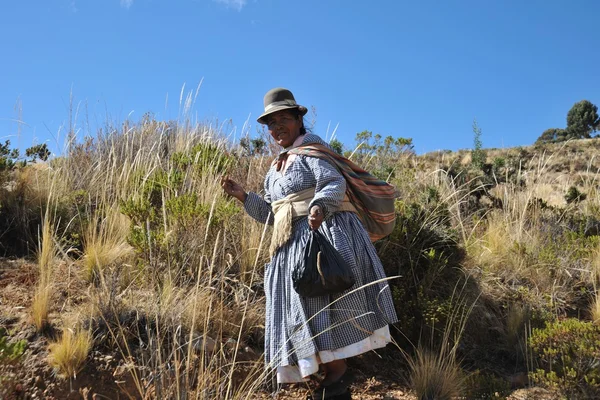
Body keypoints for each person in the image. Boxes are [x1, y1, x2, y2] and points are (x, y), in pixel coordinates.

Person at [221, 88, 398, 399]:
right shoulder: (275, 170)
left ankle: (336, 384)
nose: (277, 128)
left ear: (299, 119)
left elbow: (333, 182)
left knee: (327, 313)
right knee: (310, 321)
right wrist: (242, 197)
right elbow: (274, 215)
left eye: (283, 120)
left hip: (323, 241)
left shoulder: (313, 152)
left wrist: (320, 206)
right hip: (291, 247)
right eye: (271, 124)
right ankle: (328, 384)